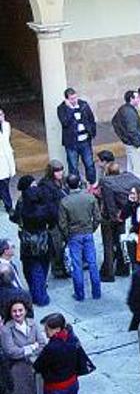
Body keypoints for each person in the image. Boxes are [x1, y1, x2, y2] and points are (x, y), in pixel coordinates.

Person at [33, 313, 87, 394]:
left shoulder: (51, 348)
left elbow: (38, 366)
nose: (45, 332)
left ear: (57, 329)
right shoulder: (72, 339)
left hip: (55, 389)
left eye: (47, 329)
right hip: (72, 383)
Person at [0, 299, 46, 394]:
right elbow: (11, 351)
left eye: (20, 310)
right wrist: (32, 347)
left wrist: (24, 349)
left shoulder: (33, 324)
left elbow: (42, 344)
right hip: (18, 373)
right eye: (14, 311)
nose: (18, 313)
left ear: (26, 311)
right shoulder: (6, 330)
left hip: (33, 370)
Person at [58, 174, 101, 301]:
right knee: (92, 263)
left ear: (67, 185)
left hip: (74, 235)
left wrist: (68, 235)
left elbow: (62, 223)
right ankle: (96, 292)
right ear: (80, 183)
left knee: (77, 265)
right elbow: (97, 218)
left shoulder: (64, 202)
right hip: (87, 232)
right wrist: (92, 229)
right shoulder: (89, 197)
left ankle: (80, 294)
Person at [12, 176, 52, 306]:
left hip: (27, 239)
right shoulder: (42, 201)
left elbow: (15, 217)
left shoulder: (21, 202)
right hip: (43, 237)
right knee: (43, 264)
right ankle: (40, 293)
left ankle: (36, 292)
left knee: (31, 266)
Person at [56, 87, 97, 185]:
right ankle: (76, 185)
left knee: (89, 164)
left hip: (85, 140)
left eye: (75, 98)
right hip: (71, 142)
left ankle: (93, 184)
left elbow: (91, 119)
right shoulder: (61, 108)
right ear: (67, 99)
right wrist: (70, 109)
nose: (74, 101)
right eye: (72, 99)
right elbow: (65, 122)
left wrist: (92, 132)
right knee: (73, 166)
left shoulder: (83, 105)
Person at [111, 90, 140, 180]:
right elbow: (132, 130)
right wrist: (139, 143)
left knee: (131, 167)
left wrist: (124, 138)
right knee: (139, 170)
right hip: (134, 144)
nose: (139, 99)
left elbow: (115, 122)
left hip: (129, 143)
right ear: (131, 98)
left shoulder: (124, 109)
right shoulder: (129, 112)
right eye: (137, 97)